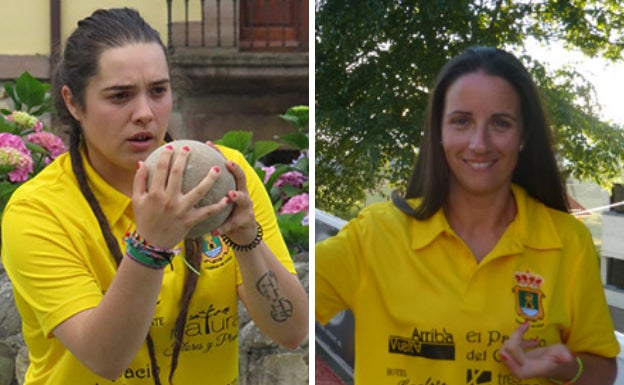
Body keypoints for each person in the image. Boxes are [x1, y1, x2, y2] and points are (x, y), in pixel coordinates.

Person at [1, 7, 308, 385]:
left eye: (158, 91)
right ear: (73, 102)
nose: (145, 113)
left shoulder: (225, 176)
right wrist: (151, 246)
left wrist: (247, 240)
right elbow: (105, 358)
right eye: (120, 96)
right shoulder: (38, 211)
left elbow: (291, 332)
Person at [315, 46, 619, 385]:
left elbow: (604, 369)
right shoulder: (374, 234)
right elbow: (289, 309)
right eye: (461, 121)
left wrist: (568, 368)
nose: (479, 143)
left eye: (500, 123)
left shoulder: (568, 241)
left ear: (524, 135)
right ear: (438, 132)